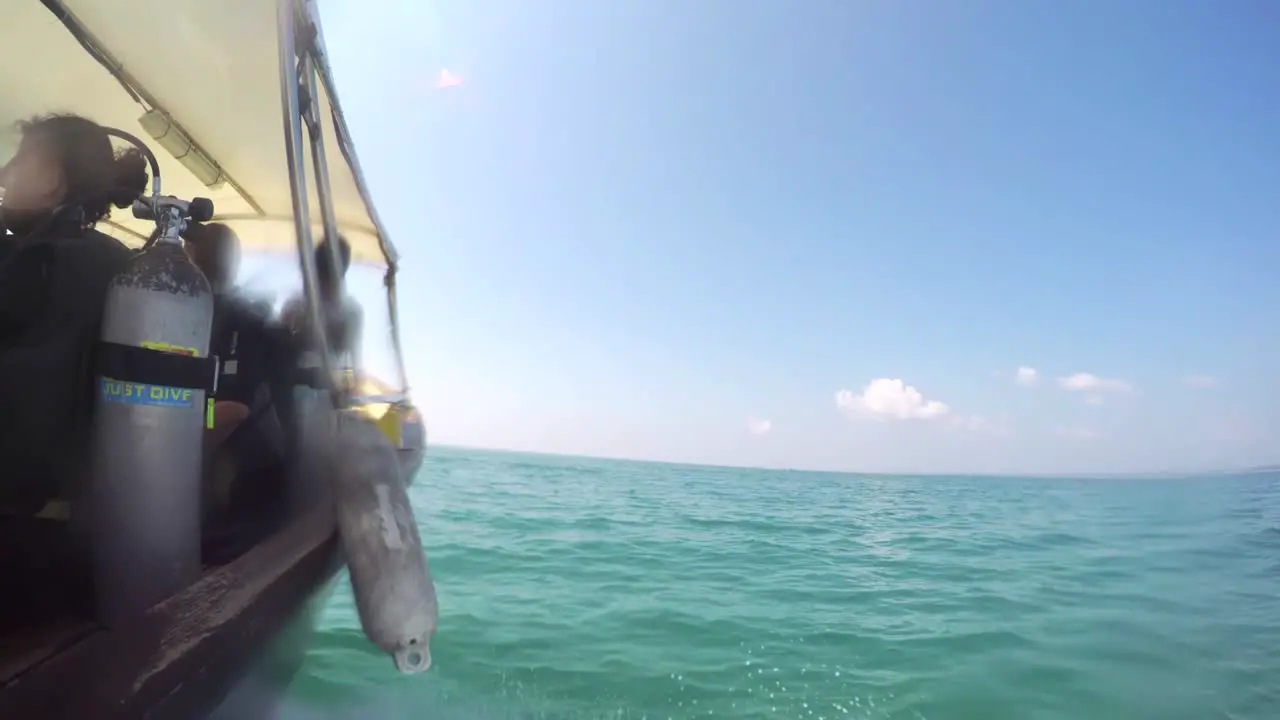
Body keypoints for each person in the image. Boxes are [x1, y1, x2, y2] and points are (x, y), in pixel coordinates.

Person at [0, 114, 244, 513]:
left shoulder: (27, 261)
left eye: (18, 161)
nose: (5, 174)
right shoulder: (126, 268)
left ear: (49, 179)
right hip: (90, 523)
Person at [280, 235, 363, 382]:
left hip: (331, 392)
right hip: (294, 388)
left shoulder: (350, 313)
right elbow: (278, 352)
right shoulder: (295, 306)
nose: (325, 284)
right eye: (321, 273)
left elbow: (355, 365)